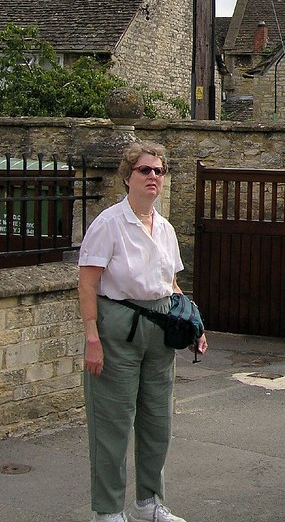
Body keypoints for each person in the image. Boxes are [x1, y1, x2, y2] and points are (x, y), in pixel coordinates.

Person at [78, 141, 207, 522]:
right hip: (118, 328)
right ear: (127, 176)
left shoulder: (165, 228)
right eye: (145, 170)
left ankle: (149, 504)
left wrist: (194, 324)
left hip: (160, 330)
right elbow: (87, 284)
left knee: (157, 421)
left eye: (159, 171)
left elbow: (172, 285)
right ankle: (108, 511)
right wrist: (92, 339)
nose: (153, 176)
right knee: (112, 424)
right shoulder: (109, 224)